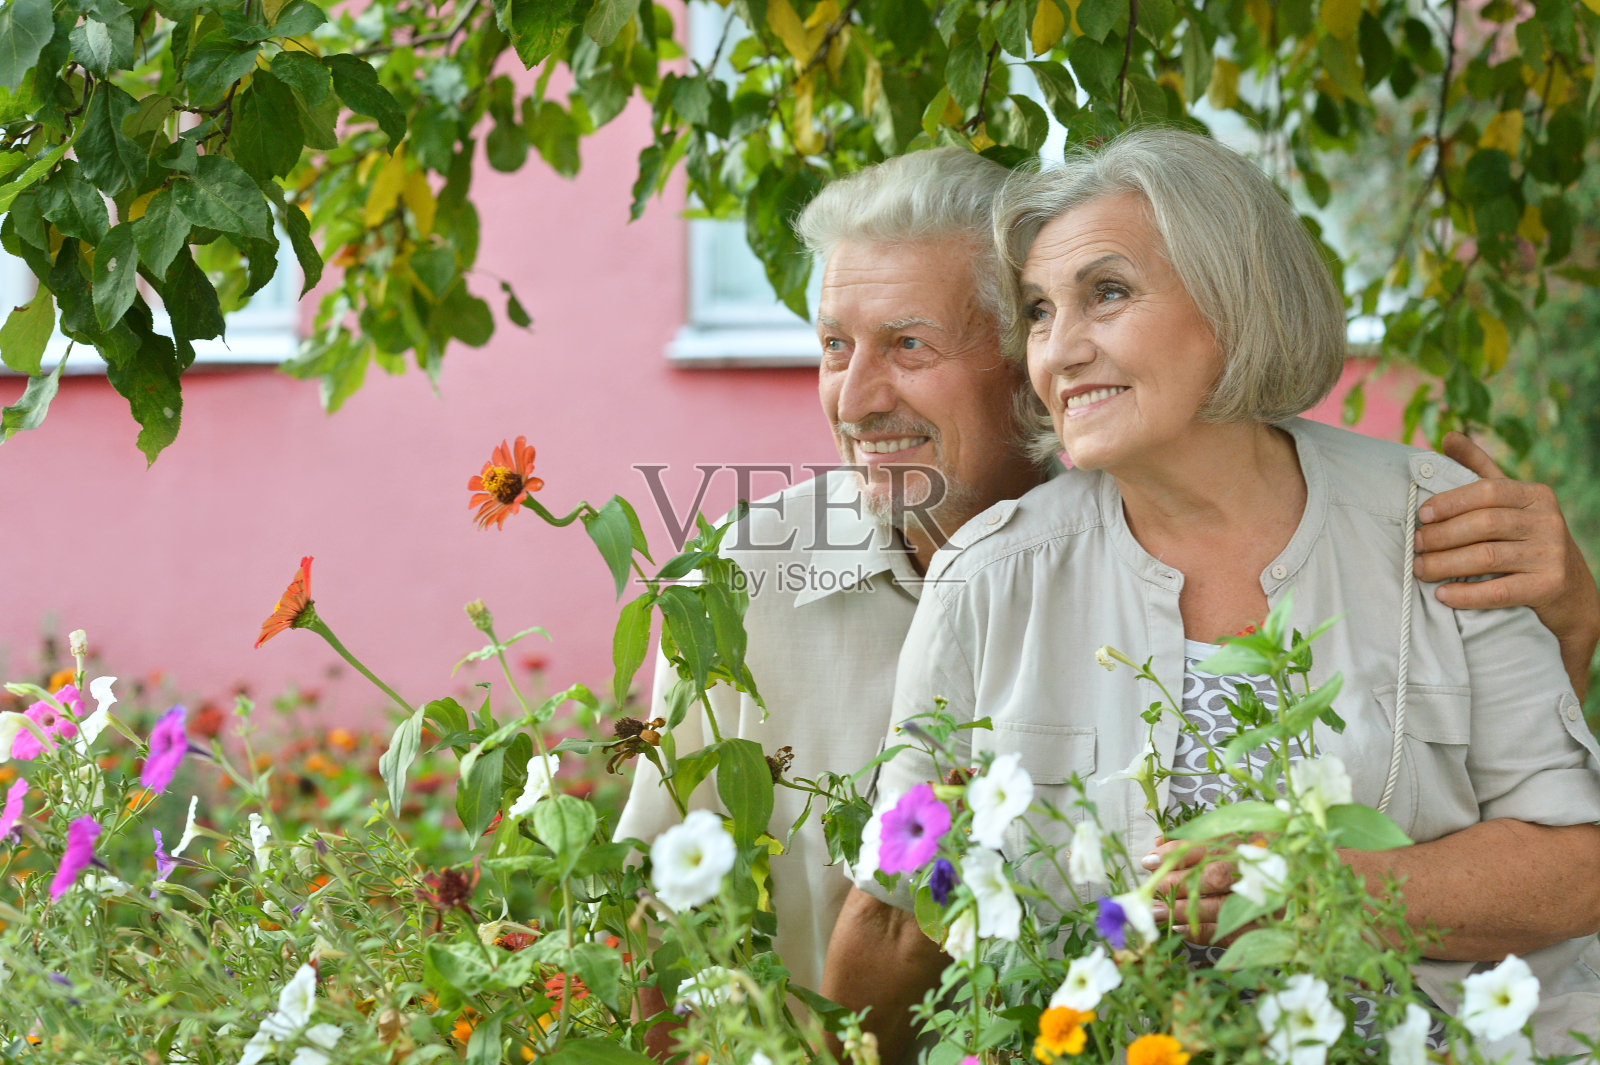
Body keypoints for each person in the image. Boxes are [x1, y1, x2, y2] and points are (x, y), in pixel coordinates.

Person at [613, 146, 1600, 1030]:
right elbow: (718, 910)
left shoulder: (1426, 516)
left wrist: (1568, 624)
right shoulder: (780, 575)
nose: (855, 398)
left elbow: (1549, 844)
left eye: (908, 344)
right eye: (833, 346)